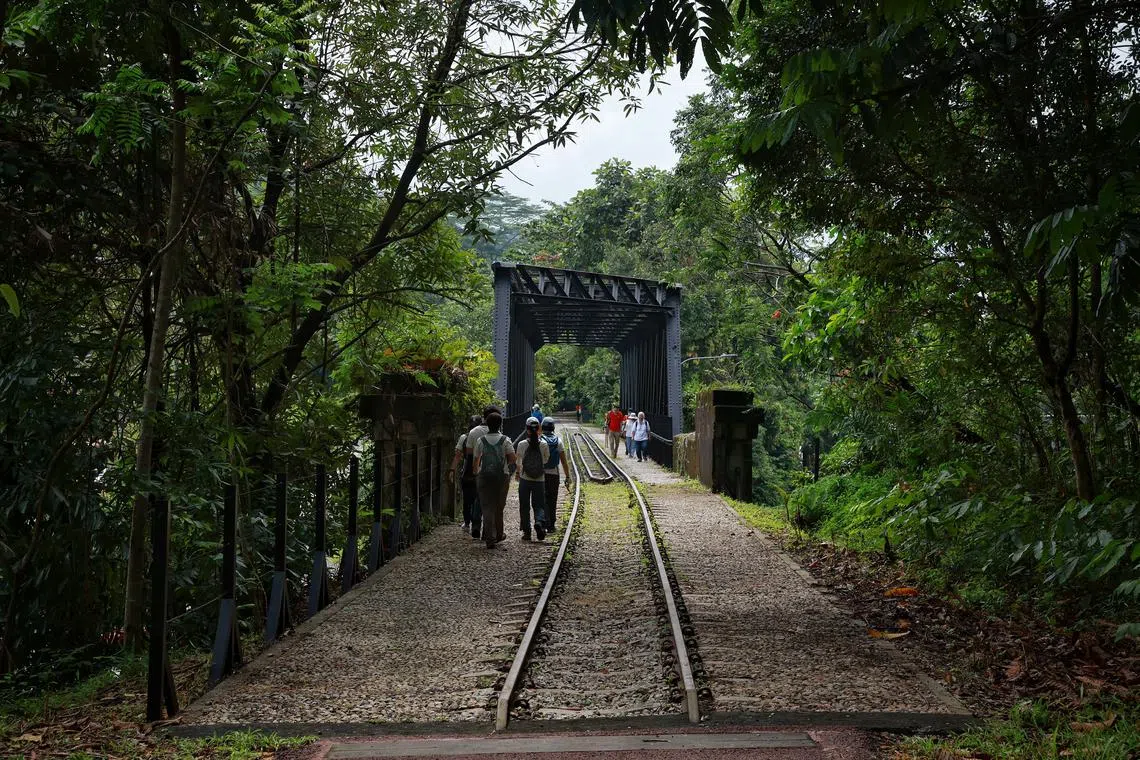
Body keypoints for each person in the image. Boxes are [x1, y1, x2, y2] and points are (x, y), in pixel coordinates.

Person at [474, 411, 515, 549]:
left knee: (487, 507)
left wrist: (476, 473)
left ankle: (489, 538)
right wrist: (504, 465)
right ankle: (499, 534)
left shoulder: (481, 440)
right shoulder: (506, 440)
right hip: (501, 476)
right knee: (499, 506)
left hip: (485, 476)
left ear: (487, 424)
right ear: (500, 425)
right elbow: (512, 459)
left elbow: (476, 460)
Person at [514, 417, 549, 541]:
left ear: (527, 430)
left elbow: (518, 462)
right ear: (538, 429)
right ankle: (539, 522)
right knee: (539, 504)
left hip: (525, 478)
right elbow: (546, 460)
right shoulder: (544, 444)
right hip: (539, 479)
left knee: (524, 505)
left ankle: (527, 532)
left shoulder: (522, 444)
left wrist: (518, 473)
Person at [450, 415, 482, 537]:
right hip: (480, 471)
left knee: (467, 499)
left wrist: (452, 469)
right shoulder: (484, 436)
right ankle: (477, 522)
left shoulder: (464, 437)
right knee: (478, 499)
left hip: (467, 472)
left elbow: (458, 455)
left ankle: (467, 522)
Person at [539, 418, 571, 532]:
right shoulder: (558, 441)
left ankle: (543, 522)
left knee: (542, 499)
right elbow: (564, 461)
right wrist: (567, 476)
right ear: (553, 428)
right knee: (552, 499)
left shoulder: (539, 440)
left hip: (541, 474)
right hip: (554, 474)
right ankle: (551, 524)